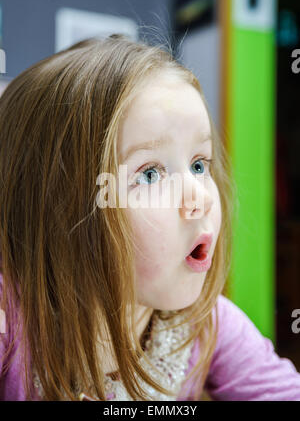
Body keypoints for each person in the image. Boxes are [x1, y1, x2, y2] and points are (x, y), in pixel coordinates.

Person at [0, 35, 299, 401]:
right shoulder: (11, 320)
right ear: (57, 211)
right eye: (150, 174)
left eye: (199, 164)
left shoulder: (207, 323)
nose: (201, 199)